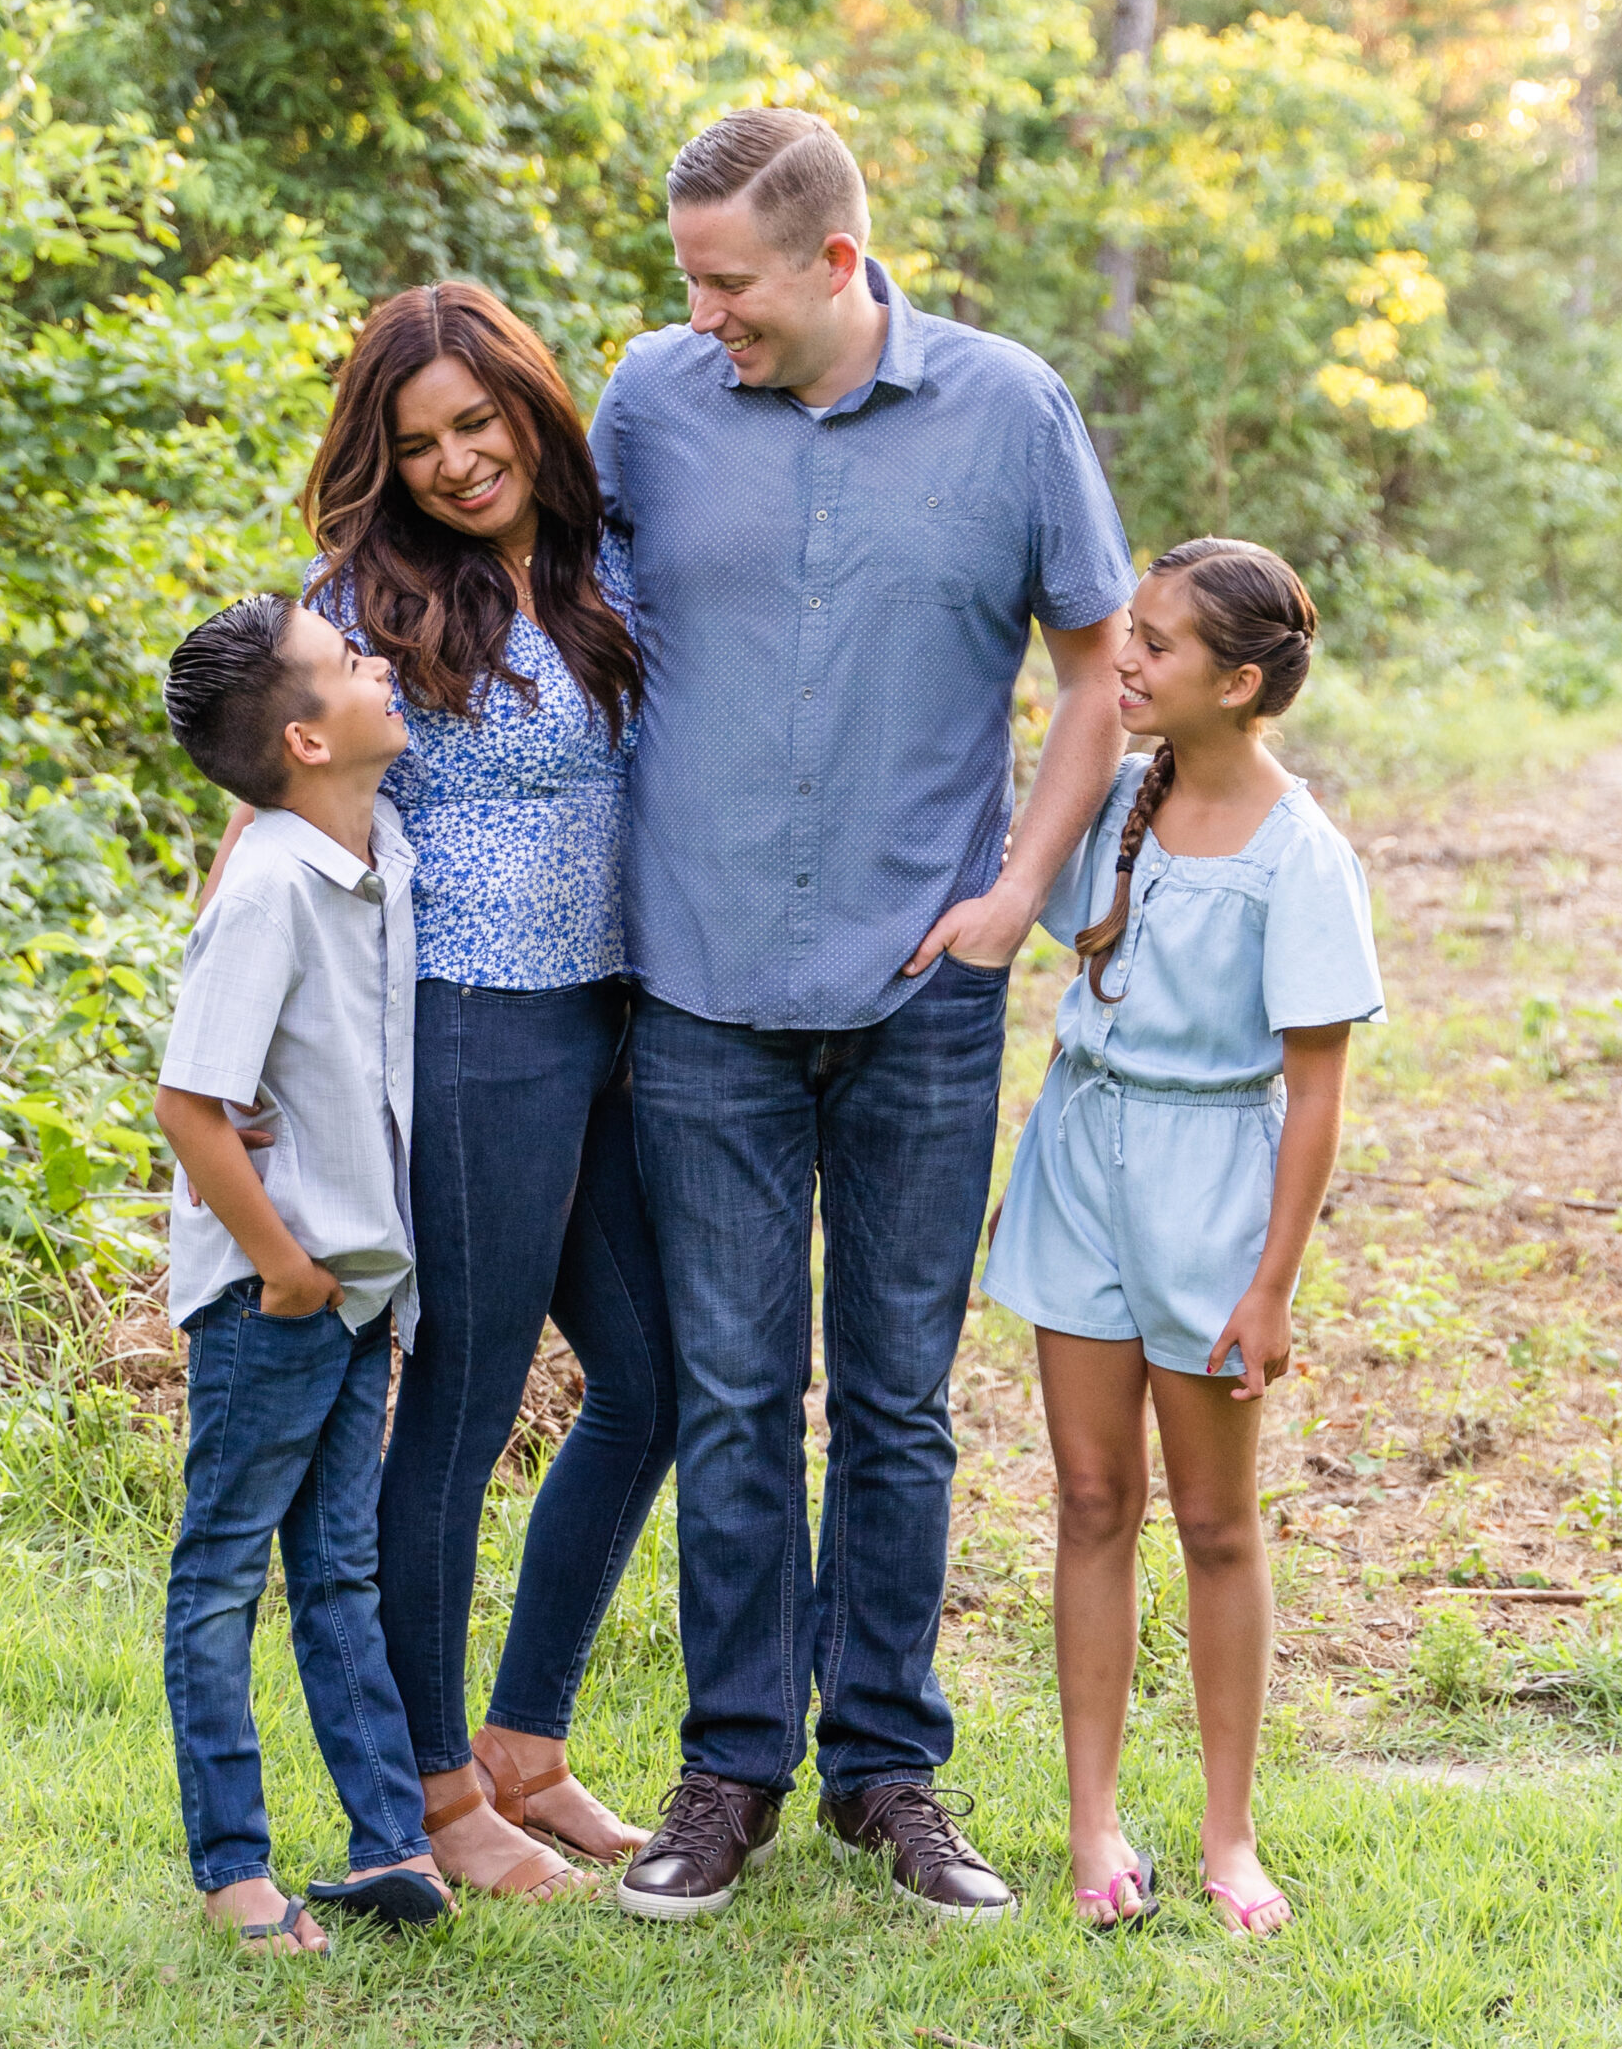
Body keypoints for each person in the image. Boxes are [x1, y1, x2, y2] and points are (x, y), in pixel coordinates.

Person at [589, 108, 1139, 1924]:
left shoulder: (1009, 409)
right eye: (684, 278)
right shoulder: (650, 403)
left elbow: (1095, 677)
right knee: (738, 1393)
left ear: (833, 262)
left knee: (896, 1404)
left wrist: (1010, 907)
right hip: (701, 986)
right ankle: (730, 1769)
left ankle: (885, 1769)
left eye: (724, 279)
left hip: (923, 991)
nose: (697, 312)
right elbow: (555, 634)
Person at [207, 282, 680, 1901]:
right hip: (471, 1024)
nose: (457, 464)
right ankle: (431, 1788)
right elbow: (270, 819)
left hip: (615, 1014)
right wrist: (234, 1049)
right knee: (466, 1410)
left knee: (656, 1378)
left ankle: (527, 1746)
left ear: (531, 408)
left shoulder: (606, 560)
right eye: (418, 445)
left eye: (477, 424)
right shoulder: (364, 602)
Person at [981, 538, 1385, 1940]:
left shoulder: (1299, 855)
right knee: (1092, 1503)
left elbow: (1316, 1089)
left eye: (1155, 645)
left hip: (1213, 1186)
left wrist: (1269, 1287)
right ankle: (1093, 1825)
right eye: (1129, 635)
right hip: (1079, 1160)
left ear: (1243, 680)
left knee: (1214, 1522)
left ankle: (1227, 1835)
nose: (1126, 661)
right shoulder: (1114, 807)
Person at [155, 592, 452, 1955]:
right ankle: (233, 1869)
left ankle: (392, 1847)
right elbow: (191, 1106)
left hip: (359, 1286)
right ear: (305, 737)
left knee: (338, 1572)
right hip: (279, 1295)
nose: (378, 664)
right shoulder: (269, 888)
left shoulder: (368, 843)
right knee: (221, 1574)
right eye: (348, 664)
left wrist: (353, 1280)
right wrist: (282, 1270)